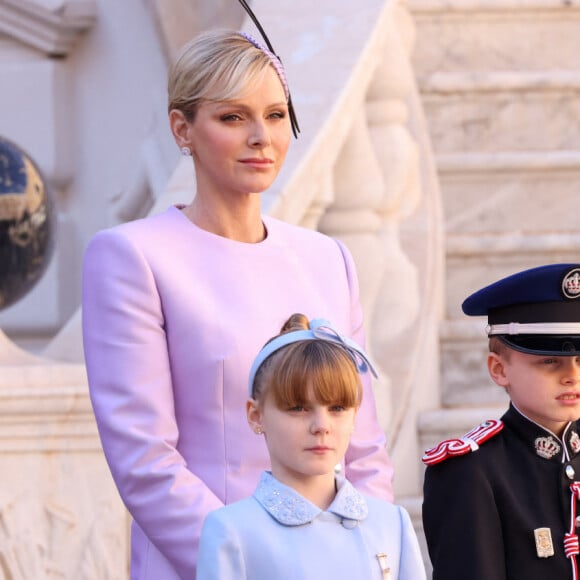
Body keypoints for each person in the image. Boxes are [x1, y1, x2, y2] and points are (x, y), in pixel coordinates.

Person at [81, 10, 393, 580]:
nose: (262, 138)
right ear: (182, 130)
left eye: (275, 116)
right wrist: (258, 560)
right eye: (233, 117)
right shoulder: (131, 257)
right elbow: (145, 461)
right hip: (208, 565)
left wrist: (371, 555)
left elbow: (364, 448)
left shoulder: (329, 258)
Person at [196, 313, 426, 580]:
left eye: (337, 408)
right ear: (255, 416)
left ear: (355, 415)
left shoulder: (391, 524)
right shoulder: (232, 530)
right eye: (298, 408)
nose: (321, 425)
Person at [422, 263, 580, 580]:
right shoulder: (469, 472)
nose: (571, 376)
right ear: (498, 369)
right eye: (549, 361)